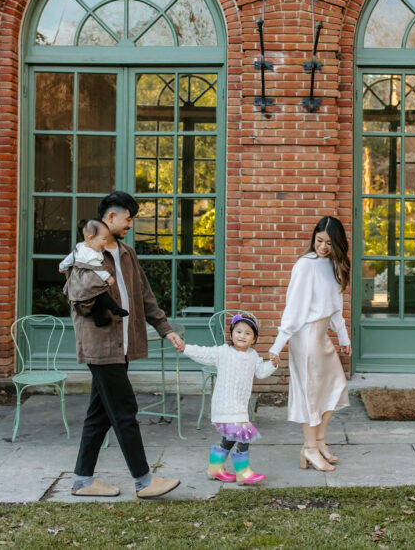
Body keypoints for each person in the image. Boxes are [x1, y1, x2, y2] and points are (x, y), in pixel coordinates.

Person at [67, 190, 185, 499]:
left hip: (122, 345)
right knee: (124, 410)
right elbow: (75, 292)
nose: (130, 224)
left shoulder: (127, 254)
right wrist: (100, 276)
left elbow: (144, 296)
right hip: (101, 344)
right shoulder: (87, 252)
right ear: (110, 218)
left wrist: (165, 329)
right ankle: (144, 481)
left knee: (100, 413)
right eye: (128, 218)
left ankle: (82, 480)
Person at [268, 216, 352, 473]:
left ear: (337, 244)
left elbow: (336, 309)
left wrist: (344, 337)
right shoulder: (305, 265)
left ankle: (319, 441)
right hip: (305, 336)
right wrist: (277, 344)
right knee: (311, 394)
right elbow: (293, 309)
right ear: (313, 238)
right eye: (319, 241)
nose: (323, 247)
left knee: (336, 387)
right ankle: (309, 448)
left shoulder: (334, 265)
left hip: (322, 335)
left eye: (329, 243)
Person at [180, 312, 278, 485]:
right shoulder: (223, 352)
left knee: (231, 437)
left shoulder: (253, 355)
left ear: (254, 339)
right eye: (238, 331)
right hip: (225, 402)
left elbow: (261, 372)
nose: (242, 336)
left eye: (248, 333)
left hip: (239, 404)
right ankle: (243, 473)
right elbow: (203, 353)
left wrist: (272, 364)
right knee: (244, 433)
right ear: (231, 334)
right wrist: (185, 348)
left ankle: (215, 468)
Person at [60, 219, 129, 327]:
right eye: (103, 239)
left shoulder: (80, 247)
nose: (105, 242)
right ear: (91, 238)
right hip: (87, 281)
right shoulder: (91, 254)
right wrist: (108, 278)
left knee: (95, 301)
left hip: (77, 283)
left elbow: (70, 258)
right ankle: (115, 308)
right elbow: (97, 268)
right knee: (101, 293)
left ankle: (99, 320)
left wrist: (62, 266)